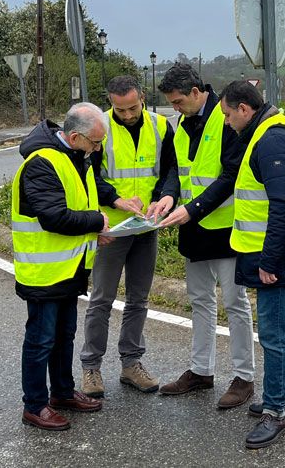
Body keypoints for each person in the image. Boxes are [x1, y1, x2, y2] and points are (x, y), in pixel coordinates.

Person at [218, 80, 285, 449]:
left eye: (229, 115)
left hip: (279, 255)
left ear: (244, 109)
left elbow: (283, 203)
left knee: (275, 335)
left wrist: (269, 260)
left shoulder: (271, 139)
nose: (228, 122)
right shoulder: (276, 127)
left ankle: (275, 412)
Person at [155, 64, 256, 410]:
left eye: (179, 101)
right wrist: (169, 195)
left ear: (197, 92)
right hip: (193, 227)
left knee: (235, 304)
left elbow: (230, 175)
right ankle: (201, 371)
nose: (175, 108)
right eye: (172, 103)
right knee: (199, 301)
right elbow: (176, 170)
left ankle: (244, 378)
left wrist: (192, 208)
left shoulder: (225, 118)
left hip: (225, 229)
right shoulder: (182, 124)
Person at [12, 102, 110, 431]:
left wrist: (94, 231)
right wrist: (96, 221)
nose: (98, 149)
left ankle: (63, 393)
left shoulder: (77, 156)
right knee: (41, 340)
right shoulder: (43, 163)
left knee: (64, 335)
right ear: (73, 136)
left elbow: (80, 203)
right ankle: (35, 405)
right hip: (43, 272)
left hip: (69, 268)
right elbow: (54, 217)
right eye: (95, 143)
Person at [79, 76, 179, 398]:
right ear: (110, 103)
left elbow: (170, 172)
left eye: (132, 107)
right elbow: (90, 175)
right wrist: (117, 200)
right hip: (112, 227)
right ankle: (91, 368)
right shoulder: (100, 127)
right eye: (119, 109)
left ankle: (131, 364)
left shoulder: (161, 126)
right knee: (101, 300)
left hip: (147, 226)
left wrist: (165, 196)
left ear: (143, 98)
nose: (126, 115)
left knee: (139, 299)